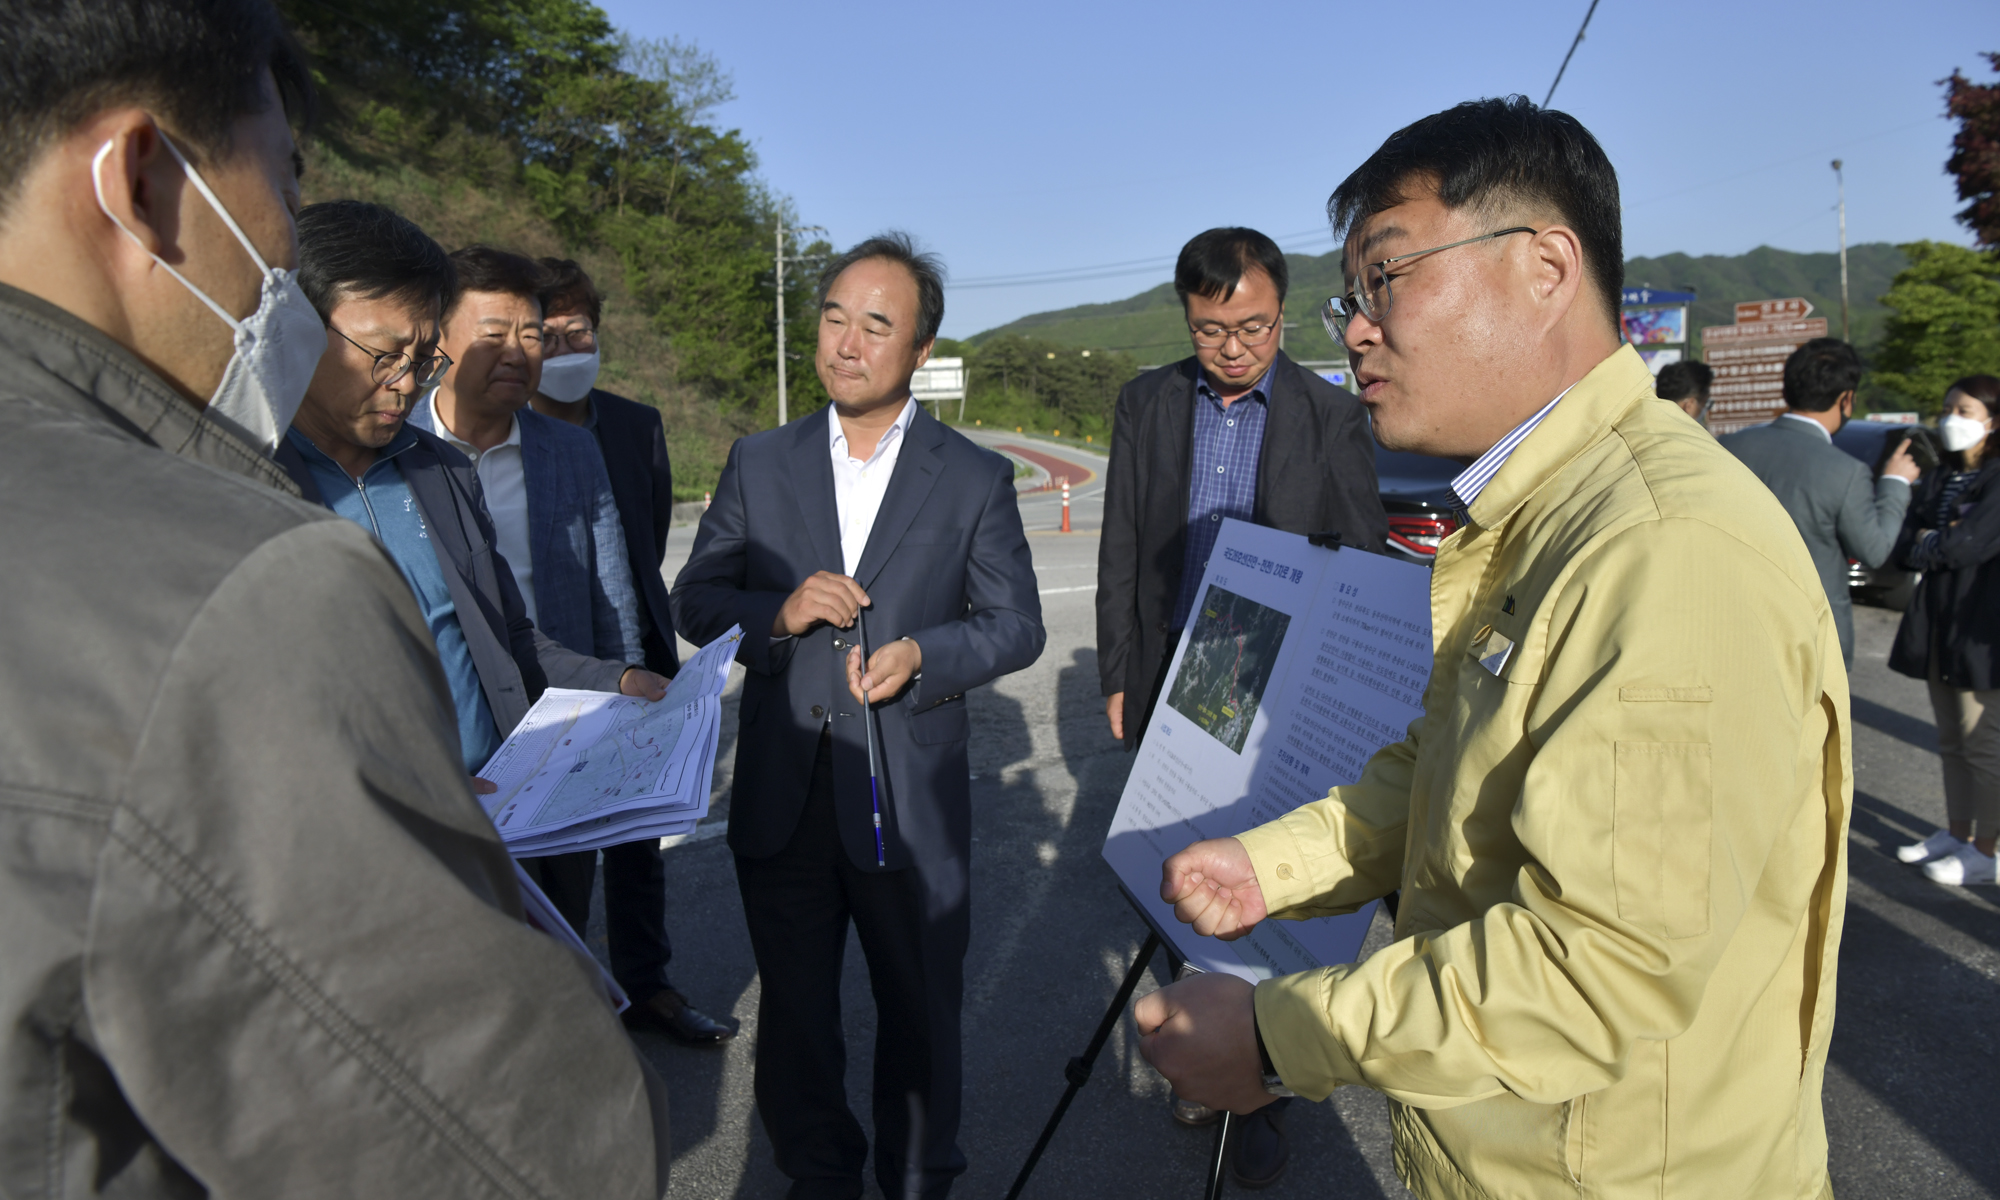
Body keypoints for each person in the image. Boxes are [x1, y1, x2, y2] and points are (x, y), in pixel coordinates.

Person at [0, 2, 668, 1196]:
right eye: (285, 185)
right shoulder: (245, 570)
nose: (280, 262)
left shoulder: (426, 478)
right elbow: (520, 1144)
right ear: (145, 179)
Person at [1135, 97, 1851, 1200]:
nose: (1357, 330)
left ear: (1545, 267)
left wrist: (1276, 1036)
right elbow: (1446, 768)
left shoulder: (1661, 547)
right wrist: (1268, 865)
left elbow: (1596, 970)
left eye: (1388, 279)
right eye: (1351, 297)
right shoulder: (1549, 509)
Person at [672, 233, 1044, 1200]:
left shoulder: (971, 477)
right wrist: (778, 612)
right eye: (834, 316)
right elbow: (696, 600)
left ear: (920, 351)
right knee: (795, 1019)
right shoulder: (761, 459)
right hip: (783, 797)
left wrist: (927, 655)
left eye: (876, 324)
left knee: (920, 1013)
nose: (845, 341)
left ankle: (919, 1178)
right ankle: (819, 1177)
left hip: (907, 803)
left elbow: (1016, 626)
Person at [1093, 226, 1385, 1186]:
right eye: (1212, 328)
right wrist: (1118, 670)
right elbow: (1123, 548)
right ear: (1186, 317)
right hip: (1177, 675)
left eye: (1253, 327)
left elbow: (1365, 556)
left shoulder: (1328, 414)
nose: (1233, 347)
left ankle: (1264, 1075)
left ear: (1282, 314)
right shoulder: (1147, 402)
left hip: (1281, 683)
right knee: (1183, 871)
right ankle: (1197, 1049)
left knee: (1272, 881)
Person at [278, 199, 670, 762]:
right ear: (299, 328)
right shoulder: (247, 478)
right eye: (385, 356)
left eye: (422, 360)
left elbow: (507, 637)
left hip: (496, 808)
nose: (405, 384)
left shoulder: (442, 472)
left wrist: (616, 680)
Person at [410, 246, 650, 940]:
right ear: (439, 338)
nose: (518, 352)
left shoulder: (570, 452)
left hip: (560, 722)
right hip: (448, 732)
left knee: (564, 922)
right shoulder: (398, 447)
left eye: (532, 334)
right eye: (494, 334)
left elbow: (611, 593)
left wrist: (621, 707)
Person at [526, 255, 737, 1044]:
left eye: (577, 330)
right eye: (546, 334)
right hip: (550, 670)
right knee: (553, 852)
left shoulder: (635, 424)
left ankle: (648, 984)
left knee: (636, 839)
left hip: (638, 656)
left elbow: (643, 545)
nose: (564, 347)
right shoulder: (511, 430)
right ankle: (571, 1001)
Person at [1723, 337, 1919, 666]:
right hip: (1812, 640)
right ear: (1847, 399)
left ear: (1787, 390)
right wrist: (1895, 483)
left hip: (1733, 625)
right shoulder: (1845, 471)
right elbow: (1873, 549)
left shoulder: (1728, 446)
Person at [1889, 374, 2000, 886]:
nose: (1952, 418)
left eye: (1966, 411)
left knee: (1983, 745)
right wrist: (1938, 538)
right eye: (1948, 407)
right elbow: (1904, 542)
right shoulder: (1940, 476)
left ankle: (1986, 848)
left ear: (1993, 422)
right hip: (1937, 622)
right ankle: (1957, 834)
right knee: (1952, 740)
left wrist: (1937, 539)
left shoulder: (1996, 478)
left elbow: (1966, 547)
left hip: (1980, 624)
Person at [1654, 358, 1713, 425]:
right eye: (1705, 403)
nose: (1705, 410)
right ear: (1689, 406)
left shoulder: (1645, 428)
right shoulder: (1693, 434)